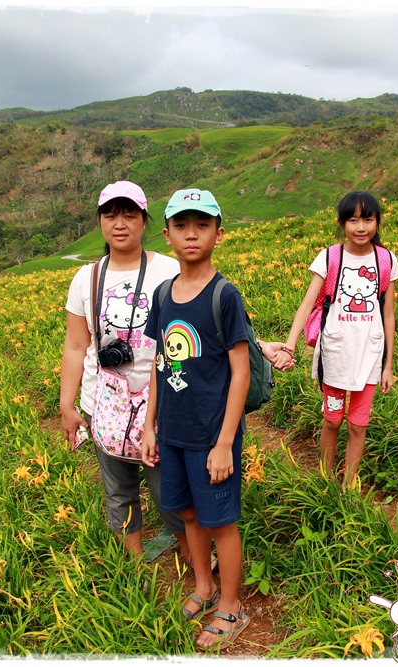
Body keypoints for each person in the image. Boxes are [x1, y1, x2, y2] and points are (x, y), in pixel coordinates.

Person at [141, 188, 252, 651]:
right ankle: (202, 587)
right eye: (182, 225)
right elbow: (158, 362)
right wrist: (150, 425)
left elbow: (241, 372)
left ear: (218, 234)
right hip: (173, 431)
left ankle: (231, 604)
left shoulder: (224, 296)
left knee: (220, 519)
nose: (192, 234)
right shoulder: (163, 294)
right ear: (166, 235)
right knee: (187, 513)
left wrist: (225, 442)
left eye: (202, 225)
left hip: (211, 435)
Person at [60, 180, 191, 563]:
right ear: (100, 221)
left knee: (169, 487)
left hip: (162, 401)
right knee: (118, 490)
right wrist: (67, 404)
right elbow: (74, 345)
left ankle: (193, 561)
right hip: (104, 402)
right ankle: (133, 568)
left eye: (129, 214)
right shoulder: (86, 277)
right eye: (110, 214)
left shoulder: (169, 269)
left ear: (144, 221)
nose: (120, 223)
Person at [282, 191, 398, 487]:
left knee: (358, 425)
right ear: (342, 224)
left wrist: (388, 365)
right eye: (353, 220)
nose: (361, 228)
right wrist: (290, 343)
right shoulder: (330, 257)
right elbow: (307, 304)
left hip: (370, 356)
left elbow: (389, 315)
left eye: (368, 220)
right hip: (335, 354)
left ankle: (348, 487)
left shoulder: (385, 260)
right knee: (333, 420)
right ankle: (325, 479)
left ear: (377, 222)